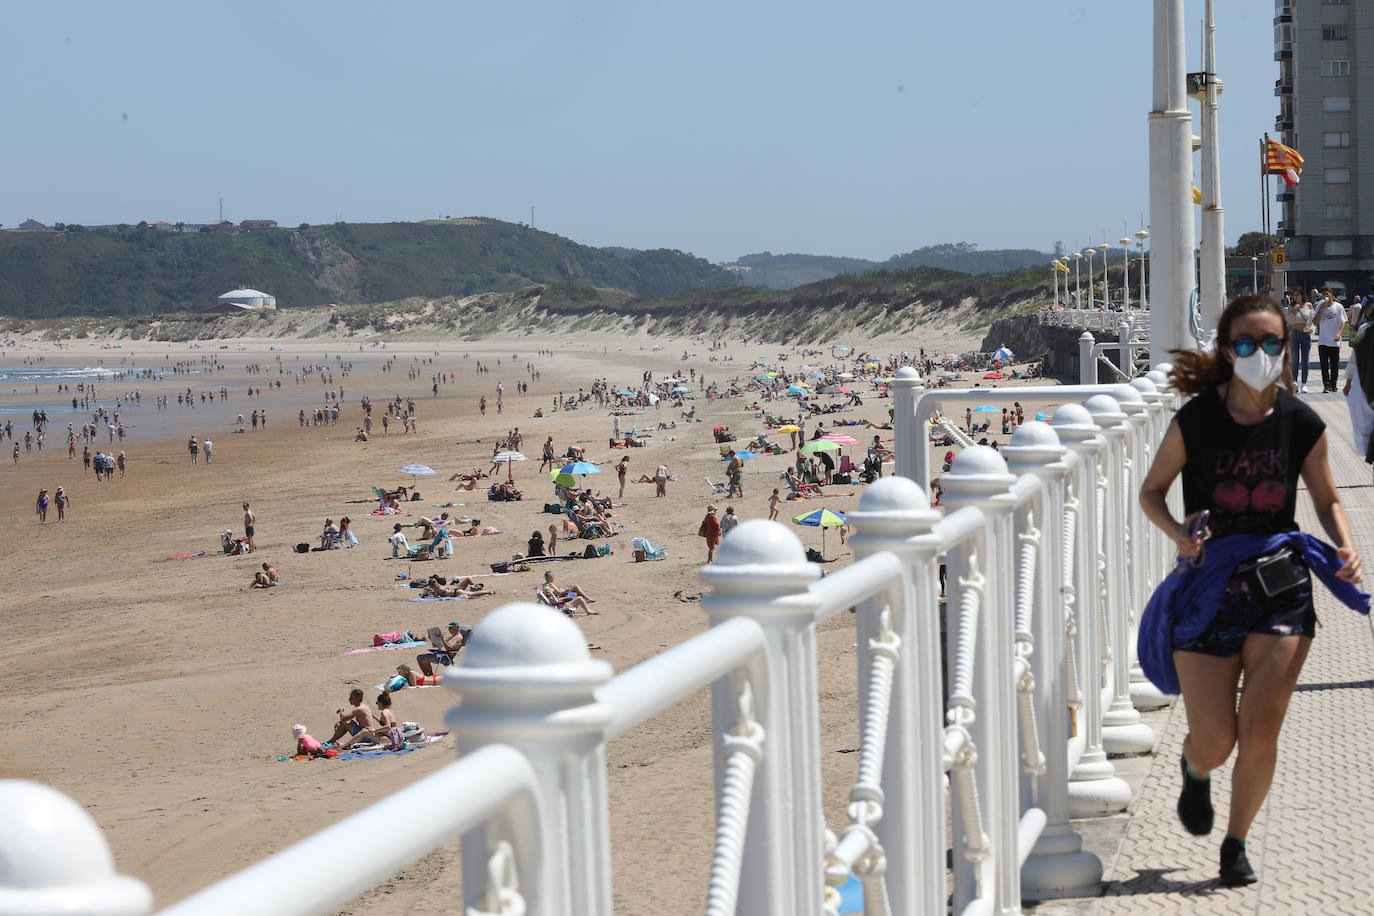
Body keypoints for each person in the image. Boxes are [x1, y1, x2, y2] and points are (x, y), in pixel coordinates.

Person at [1137, 293, 1366, 887]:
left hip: (1280, 584)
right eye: (1246, 344)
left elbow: (1326, 498)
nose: (1259, 354)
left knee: (1262, 728)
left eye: (1271, 344)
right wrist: (1178, 533)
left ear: (1286, 348)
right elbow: (1152, 492)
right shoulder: (1196, 420)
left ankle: (1235, 844)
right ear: (1225, 350)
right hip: (1208, 587)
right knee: (1216, 741)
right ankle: (1196, 768)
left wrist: (1344, 544)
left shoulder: (1302, 422)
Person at [1315, 288, 1348, 393]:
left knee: (1334, 364)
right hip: (1323, 341)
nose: (1325, 295)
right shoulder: (1319, 306)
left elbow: (1343, 322)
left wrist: (1340, 334)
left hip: (1334, 340)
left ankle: (1334, 383)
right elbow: (1315, 322)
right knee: (1324, 364)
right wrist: (1321, 309)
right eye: (1323, 294)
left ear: (1331, 294)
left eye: (1327, 293)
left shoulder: (1338, 307)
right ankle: (1326, 385)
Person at [1285, 288, 1314, 393]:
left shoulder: (1308, 305)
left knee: (1305, 360)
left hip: (1305, 334)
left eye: (1297, 294)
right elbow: (1288, 320)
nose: (1295, 297)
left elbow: (1312, 319)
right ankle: (1295, 382)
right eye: (1294, 295)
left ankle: (1304, 383)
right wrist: (1293, 310)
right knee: (1295, 360)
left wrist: (1311, 330)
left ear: (1302, 295)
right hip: (1295, 334)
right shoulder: (1291, 306)